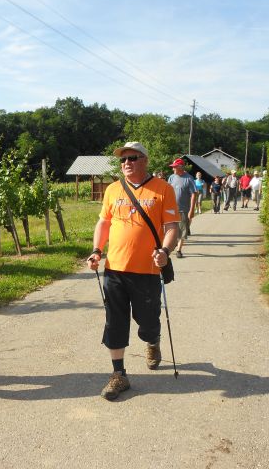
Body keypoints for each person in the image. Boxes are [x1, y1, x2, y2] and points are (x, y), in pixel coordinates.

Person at [87, 142, 179, 401]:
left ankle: (153, 340)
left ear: (145, 160)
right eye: (123, 159)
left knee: (148, 322)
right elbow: (104, 222)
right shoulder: (113, 190)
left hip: (148, 271)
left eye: (132, 158)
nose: (126, 163)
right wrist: (96, 250)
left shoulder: (163, 189)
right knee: (115, 321)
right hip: (114, 269)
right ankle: (119, 375)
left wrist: (165, 251)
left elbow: (172, 227)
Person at [167, 158, 197, 258]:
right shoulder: (171, 177)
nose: (173, 169)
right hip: (170, 209)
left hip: (183, 210)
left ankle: (179, 250)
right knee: (171, 229)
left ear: (180, 167)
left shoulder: (189, 178)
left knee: (182, 231)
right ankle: (173, 244)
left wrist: (191, 210)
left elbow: (194, 194)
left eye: (174, 167)